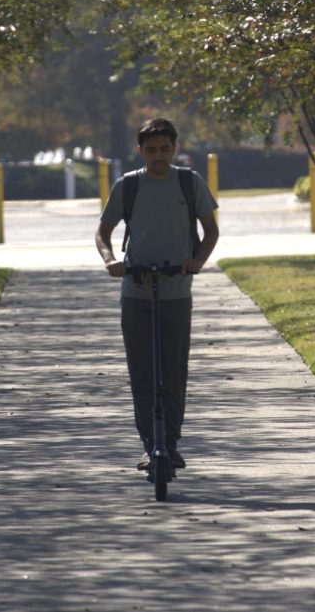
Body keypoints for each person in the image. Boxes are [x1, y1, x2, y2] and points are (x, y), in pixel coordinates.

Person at [95, 118, 219, 473]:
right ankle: (151, 444)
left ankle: (171, 442)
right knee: (142, 372)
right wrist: (111, 261)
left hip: (177, 291)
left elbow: (211, 231)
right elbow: (102, 233)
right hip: (135, 292)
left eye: (165, 149)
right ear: (140, 151)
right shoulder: (128, 186)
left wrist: (197, 261)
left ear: (174, 148)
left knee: (174, 370)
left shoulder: (189, 182)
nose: (158, 156)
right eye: (151, 150)